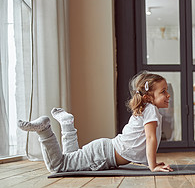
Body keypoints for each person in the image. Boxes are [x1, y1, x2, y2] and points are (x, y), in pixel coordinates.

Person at [18, 71, 173, 173]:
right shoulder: (151, 110)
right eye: (163, 91)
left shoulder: (149, 110)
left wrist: (152, 163)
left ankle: (67, 124)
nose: (168, 95)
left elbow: (142, 142)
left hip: (104, 151)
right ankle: (44, 130)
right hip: (102, 155)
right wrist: (152, 166)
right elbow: (150, 138)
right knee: (58, 167)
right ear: (147, 97)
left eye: (167, 90)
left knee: (70, 156)